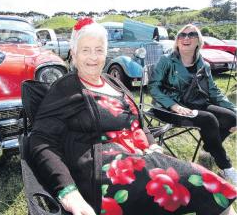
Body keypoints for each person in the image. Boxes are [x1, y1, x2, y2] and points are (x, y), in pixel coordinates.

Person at [29, 18, 236, 215]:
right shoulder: (66, 88)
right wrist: (68, 192)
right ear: (73, 53)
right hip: (106, 173)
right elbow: (40, 141)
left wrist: (152, 143)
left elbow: (137, 121)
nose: (93, 56)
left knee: (201, 181)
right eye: (85, 50)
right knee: (205, 182)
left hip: (141, 157)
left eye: (99, 50)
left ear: (106, 53)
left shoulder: (112, 81)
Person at [148, 24, 237, 186]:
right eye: (182, 35)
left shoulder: (203, 64)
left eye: (191, 34)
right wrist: (173, 106)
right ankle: (226, 167)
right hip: (166, 108)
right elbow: (153, 87)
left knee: (232, 119)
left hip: (196, 104)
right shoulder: (166, 61)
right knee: (209, 120)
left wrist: (234, 110)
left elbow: (214, 92)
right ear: (177, 40)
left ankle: (208, 148)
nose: (186, 38)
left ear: (198, 41)